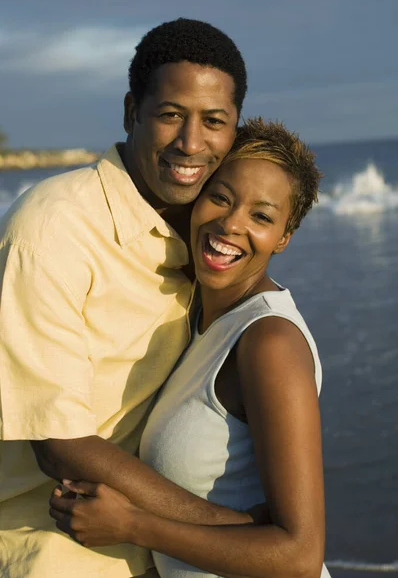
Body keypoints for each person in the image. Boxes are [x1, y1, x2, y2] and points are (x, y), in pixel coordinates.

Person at [0, 18, 252, 578]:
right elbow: (60, 444)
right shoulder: (51, 230)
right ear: (130, 111)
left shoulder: (206, 230)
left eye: (214, 121)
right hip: (53, 550)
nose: (191, 142)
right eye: (169, 115)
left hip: (165, 556)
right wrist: (236, 531)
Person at [49, 119, 331, 578]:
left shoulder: (269, 342)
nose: (231, 223)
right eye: (221, 196)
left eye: (261, 216)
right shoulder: (195, 311)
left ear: (283, 238)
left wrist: (134, 526)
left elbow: (299, 557)